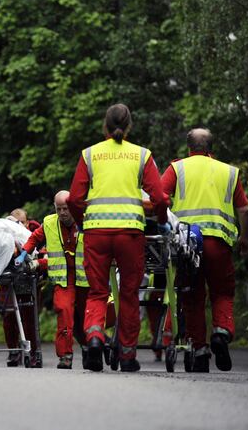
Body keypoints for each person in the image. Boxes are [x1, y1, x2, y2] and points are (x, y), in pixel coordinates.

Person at [68, 103, 168, 372]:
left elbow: (75, 199)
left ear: (104, 125)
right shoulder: (141, 155)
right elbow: (158, 197)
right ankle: (126, 355)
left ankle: (95, 337)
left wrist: (83, 223)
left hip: (97, 233)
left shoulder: (90, 155)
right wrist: (162, 220)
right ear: (130, 125)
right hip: (130, 234)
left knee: (98, 292)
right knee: (129, 294)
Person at [161, 127, 248, 372]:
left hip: (187, 244)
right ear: (211, 148)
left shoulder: (177, 169)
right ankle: (221, 332)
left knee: (192, 295)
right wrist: (244, 237)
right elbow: (244, 210)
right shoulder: (228, 172)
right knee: (222, 292)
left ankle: (199, 350)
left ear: (188, 148)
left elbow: (159, 198)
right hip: (219, 244)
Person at [22, 191, 88, 369]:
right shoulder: (49, 222)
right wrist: (22, 254)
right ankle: (65, 356)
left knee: (87, 318)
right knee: (64, 312)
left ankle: (92, 346)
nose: (62, 213)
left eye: (66, 209)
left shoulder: (88, 220)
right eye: (59, 209)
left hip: (86, 280)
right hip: (63, 279)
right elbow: (34, 238)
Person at [0, 209, 42, 367]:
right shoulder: (3, 234)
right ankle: (13, 350)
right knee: (8, 316)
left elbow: (42, 254)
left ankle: (33, 351)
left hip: (28, 279)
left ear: (26, 223)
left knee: (29, 317)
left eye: (21, 223)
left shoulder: (35, 234)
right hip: (7, 280)